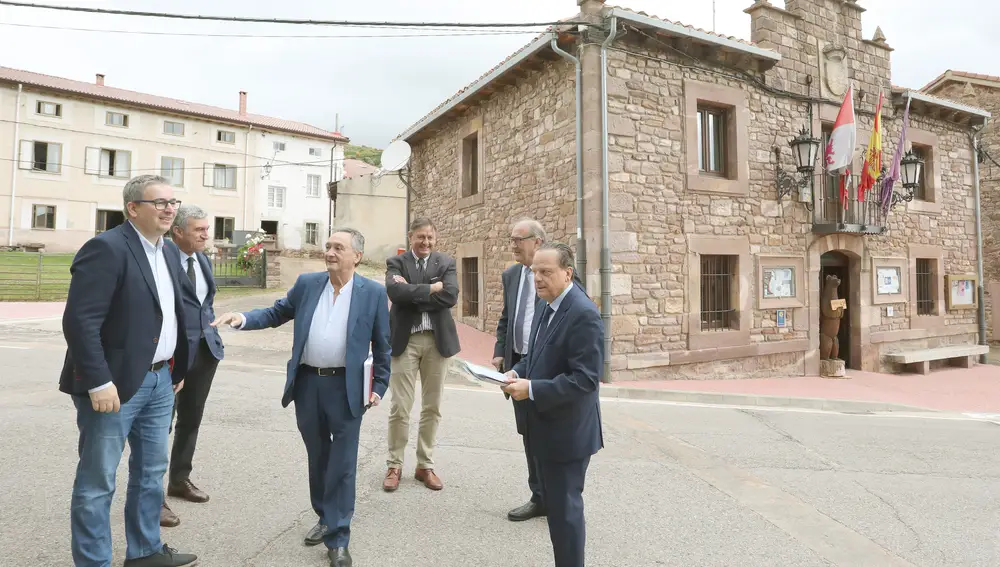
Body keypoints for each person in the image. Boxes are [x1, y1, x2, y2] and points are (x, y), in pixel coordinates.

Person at [211, 227, 390, 567]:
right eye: (328, 246)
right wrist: (243, 318)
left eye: (339, 247)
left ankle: (338, 537)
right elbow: (277, 312)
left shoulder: (373, 293)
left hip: (348, 388)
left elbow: (383, 345)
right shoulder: (308, 285)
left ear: (357, 256)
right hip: (308, 384)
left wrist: (378, 386)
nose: (330, 252)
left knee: (343, 464)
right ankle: (325, 516)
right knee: (319, 456)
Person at [59, 174, 197, 567]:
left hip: (159, 380)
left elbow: (172, 313)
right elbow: (80, 322)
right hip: (113, 386)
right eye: (160, 203)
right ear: (133, 208)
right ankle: (93, 562)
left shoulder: (168, 251)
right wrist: (98, 381)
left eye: (173, 201)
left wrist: (175, 366)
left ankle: (145, 552)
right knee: (97, 481)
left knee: (152, 471)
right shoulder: (106, 248)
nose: (170, 209)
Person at [502, 242, 604, 567]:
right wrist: (517, 370)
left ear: (567, 273)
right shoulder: (547, 304)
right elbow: (536, 355)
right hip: (544, 426)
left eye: (546, 272)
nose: (538, 279)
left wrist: (532, 389)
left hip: (568, 433)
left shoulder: (583, 314)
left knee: (565, 513)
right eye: (534, 272)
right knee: (557, 511)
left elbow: (586, 379)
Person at [493, 219, 587, 523]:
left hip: (548, 366)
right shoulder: (511, 275)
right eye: (511, 239)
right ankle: (539, 495)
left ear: (538, 241)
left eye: (518, 239)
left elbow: (572, 318)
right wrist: (500, 353)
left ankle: (557, 494)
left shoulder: (560, 276)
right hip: (520, 362)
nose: (513, 245)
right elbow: (507, 318)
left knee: (551, 431)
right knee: (528, 432)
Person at [382, 218, 460, 493]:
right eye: (420, 238)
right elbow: (395, 291)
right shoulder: (396, 263)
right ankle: (394, 465)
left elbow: (450, 296)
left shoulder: (446, 263)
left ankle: (424, 465)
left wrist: (413, 292)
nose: (425, 243)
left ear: (435, 239)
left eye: (429, 238)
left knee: (432, 407)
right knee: (400, 407)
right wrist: (431, 288)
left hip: (437, 343)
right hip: (406, 341)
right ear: (410, 237)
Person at [160, 205, 225, 528]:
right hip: (172, 355)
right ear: (178, 232)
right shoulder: (164, 259)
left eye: (206, 228)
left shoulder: (201, 259)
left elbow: (205, 303)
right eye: (199, 229)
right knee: (160, 425)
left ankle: (179, 479)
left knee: (191, 418)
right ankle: (152, 496)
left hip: (204, 351)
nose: (205, 234)